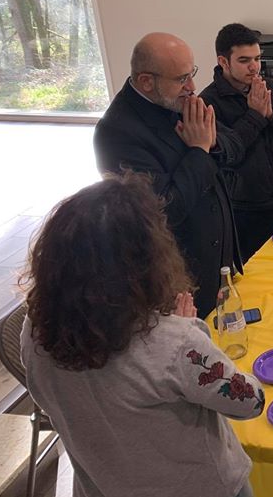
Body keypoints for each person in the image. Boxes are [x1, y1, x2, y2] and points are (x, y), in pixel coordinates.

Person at [20, 174, 265, 497]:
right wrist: (190, 329)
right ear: (147, 261)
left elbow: (52, 400)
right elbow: (251, 401)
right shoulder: (176, 343)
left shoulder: (35, 332)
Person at [93, 32, 242, 317]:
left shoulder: (176, 100)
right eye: (182, 79)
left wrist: (210, 143)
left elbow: (234, 145)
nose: (192, 87)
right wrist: (199, 150)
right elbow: (162, 210)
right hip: (180, 278)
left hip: (218, 265)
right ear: (146, 82)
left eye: (191, 74)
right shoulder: (116, 132)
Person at [200, 23, 273, 263]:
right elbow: (227, 153)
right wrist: (256, 115)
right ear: (223, 61)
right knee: (257, 270)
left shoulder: (271, 87)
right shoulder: (208, 103)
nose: (254, 67)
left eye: (257, 58)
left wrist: (271, 114)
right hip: (246, 209)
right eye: (244, 60)